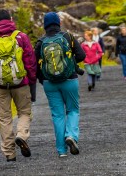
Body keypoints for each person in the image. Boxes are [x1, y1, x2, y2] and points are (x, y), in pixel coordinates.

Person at [0, 9, 37, 162]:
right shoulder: (21, 37)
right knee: (25, 112)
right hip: (21, 83)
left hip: (0, 85)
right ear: (11, 19)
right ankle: (21, 135)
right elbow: (30, 60)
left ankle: (9, 153)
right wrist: (31, 80)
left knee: (4, 118)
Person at [35, 12, 86, 157]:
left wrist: (42, 79)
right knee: (73, 110)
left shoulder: (40, 42)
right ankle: (71, 136)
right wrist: (71, 64)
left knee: (57, 115)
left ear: (45, 25)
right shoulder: (67, 37)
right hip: (70, 80)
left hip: (49, 83)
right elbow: (82, 55)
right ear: (58, 23)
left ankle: (61, 150)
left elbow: (34, 65)